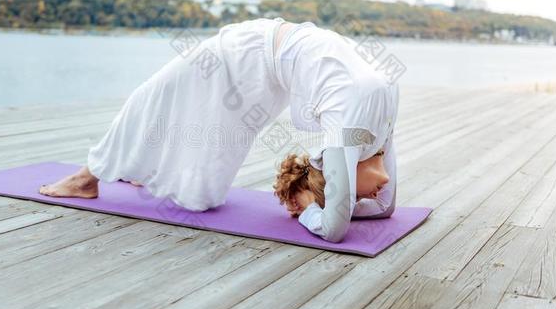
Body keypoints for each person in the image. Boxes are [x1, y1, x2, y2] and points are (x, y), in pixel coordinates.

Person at [39, 17, 399, 243]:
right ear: (341, 177)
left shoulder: (368, 131)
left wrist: (329, 204)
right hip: (248, 49)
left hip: (275, 75)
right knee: (155, 95)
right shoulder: (351, 123)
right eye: (355, 194)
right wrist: (312, 207)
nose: (374, 193)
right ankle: (88, 177)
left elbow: (380, 209)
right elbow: (338, 227)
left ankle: (144, 169)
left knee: (203, 188)